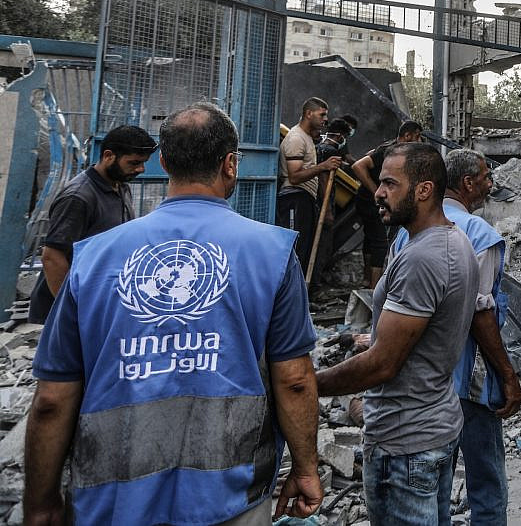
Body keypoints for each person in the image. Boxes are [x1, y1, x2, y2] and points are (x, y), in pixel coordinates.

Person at [26, 102, 322, 525]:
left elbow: (52, 400)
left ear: (163, 163)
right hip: (229, 499)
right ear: (230, 164)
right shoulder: (271, 252)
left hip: (111, 503)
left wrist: (40, 502)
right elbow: (294, 379)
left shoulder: (92, 258)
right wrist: (306, 469)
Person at [316, 142, 479, 526]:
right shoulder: (451, 240)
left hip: (405, 443)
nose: (378, 192)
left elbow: (383, 365)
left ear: (423, 190)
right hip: (433, 428)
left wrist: (308, 384)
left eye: (390, 183)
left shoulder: (423, 257)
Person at [441, 149, 521, 526]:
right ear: (467, 184)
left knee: (433, 485)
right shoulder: (478, 234)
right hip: (470, 381)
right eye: (486, 177)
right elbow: (481, 313)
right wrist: (507, 375)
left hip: (427, 381)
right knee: (486, 483)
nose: (492, 184)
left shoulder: (412, 229)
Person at [29, 124, 157, 324]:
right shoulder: (78, 197)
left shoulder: (120, 187)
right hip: (69, 312)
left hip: (96, 301)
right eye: (134, 162)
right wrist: (72, 310)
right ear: (108, 156)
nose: (141, 169)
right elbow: (52, 257)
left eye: (143, 163)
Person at [350, 120, 424, 288]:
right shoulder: (389, 151)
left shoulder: (393, 149)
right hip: (370, 202)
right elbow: (358, 166)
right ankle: (374, 287)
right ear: (407, 136)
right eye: (417, 136)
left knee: (371, 239)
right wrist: (376, 191)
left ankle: (367, 280)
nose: (419, 141)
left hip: (372, 201)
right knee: (380, 243)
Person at [276, 97, 343, 275]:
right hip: (293, 199)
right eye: (322, 115)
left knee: (303, 251)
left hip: (304, 199)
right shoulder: (296, 138)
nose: (325, 120)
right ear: (308, 114)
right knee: (294, 250)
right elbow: (294, 177)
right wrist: (324, 166)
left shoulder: (306, 138)